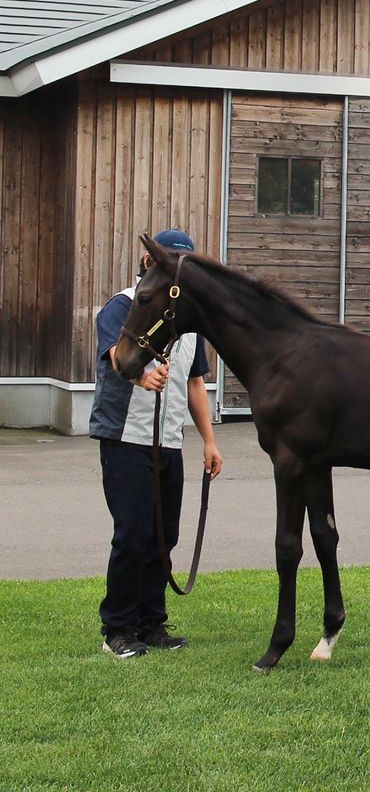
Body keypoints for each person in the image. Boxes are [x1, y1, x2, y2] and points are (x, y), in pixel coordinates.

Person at [90, 229, 223, 658]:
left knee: (164, 536)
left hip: (168, 442)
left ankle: (151, 623)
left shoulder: (185, 321)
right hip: (125, 437)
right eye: (167, 262)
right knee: (133, 533)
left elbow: (196, 384)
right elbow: (115, 354)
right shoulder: (123, 305)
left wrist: (209, 440)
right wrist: (141, 375)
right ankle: (117, 629)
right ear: (150, 263)